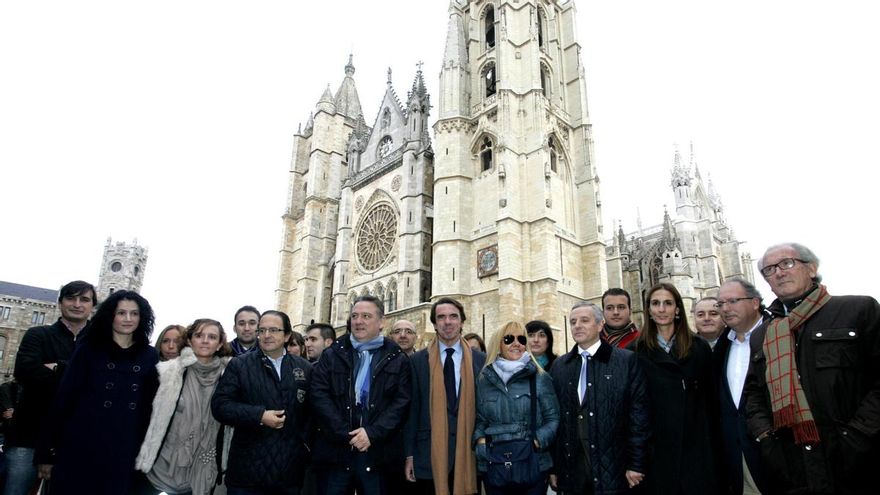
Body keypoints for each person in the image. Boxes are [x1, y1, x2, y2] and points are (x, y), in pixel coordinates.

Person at [744, 243, 880, 494]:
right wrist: (766, 437)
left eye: (787, 263)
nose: (779, 273)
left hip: (859, 462)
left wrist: (858, 435)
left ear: (812, 269)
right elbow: (754, 394)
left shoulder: (858, 310)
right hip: (795, 467)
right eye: (769, 270)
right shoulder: (762, 334)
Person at [37, 289, 160, 495]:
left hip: (124, 450)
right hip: (80, 446)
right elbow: (64, 401)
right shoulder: (89, 349)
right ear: (110, 316)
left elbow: (150, 409)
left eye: (134, 313)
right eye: (121, 313)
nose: (128, 319)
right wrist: (46, 454)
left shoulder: (150, 355)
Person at [310, 295, 412, 495]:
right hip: (337, 454)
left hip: (378, 456)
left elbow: (401, 403)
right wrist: (346, 433)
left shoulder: (397, 358)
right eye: (355, 316)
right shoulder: (332, 354)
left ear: (381, 322)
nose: (358, 321)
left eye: (366, 316)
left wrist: (371, 433)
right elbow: (319, 395)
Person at [4, 280, 96, 495]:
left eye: (84, 299)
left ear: (92, 306)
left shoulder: (98, 344)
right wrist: (76, 376)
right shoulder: (37, 334)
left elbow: (97, 382)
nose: (77, 304)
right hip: (28, 438)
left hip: (74, 441)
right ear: (60, 302)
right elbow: (25, 372)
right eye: (71, 298)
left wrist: (58, 367)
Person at [549, 302, 650, 494]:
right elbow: (554, 419)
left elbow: (639, 416)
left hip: (614, 468)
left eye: (584, 320)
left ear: (600, 324)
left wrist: (636, 464)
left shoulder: (626, 361)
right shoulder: (560, 366)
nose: (577, 326)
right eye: (573, 322)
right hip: (572, 471)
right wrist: (554, 467)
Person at [211, 310, 312, 495]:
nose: (266, 335)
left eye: (273, 330)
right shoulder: (239, 365)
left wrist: (303, 447)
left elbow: (312, 413)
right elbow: (220, 406)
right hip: (247, 474)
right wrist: (259, 416)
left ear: (287, 335)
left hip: (289, 474)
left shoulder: (304, 368)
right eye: (262, 330)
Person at [632, 283, 717, 494]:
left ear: (677, 309)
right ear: (648, 310)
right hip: (656, 450)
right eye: (655, 303)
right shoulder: (634, 351)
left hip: (695, 447)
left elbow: (711, 401)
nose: (661, 309)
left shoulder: (699, 347)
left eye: (668, 303)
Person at [136, 318, 234, 495]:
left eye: (212, 337)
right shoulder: (167, 372)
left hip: (203, 466)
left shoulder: (230, 376)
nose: (205, 341)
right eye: (199, 335)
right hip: (161, 463)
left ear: (220, 344)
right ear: (189, 340)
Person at [405, 298, 486, 495]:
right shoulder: (417, 361)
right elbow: (412, 411)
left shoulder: (481, 360)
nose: (447, 322)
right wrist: (409, 455)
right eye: (441, 317)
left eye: (453, 316)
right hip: (429, 454)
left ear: (462, 322)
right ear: (434, 324)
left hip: (469, 453)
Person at [474, 321, 559, 495]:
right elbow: (480, 419)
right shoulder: (484, 379)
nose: (516, 343)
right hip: (495, 464)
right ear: (498, 344)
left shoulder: (540, 377)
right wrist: (480, 442)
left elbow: (553, 419)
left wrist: (536, 442)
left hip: (532, 463)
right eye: (508, 339)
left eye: (521, 339)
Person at [713, 279, 770, 495]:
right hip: (737, 457)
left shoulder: (779, 333)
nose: (725, 309)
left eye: (733, 301)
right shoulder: (723, 345)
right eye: (721, 304)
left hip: (777, 453)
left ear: (755, 302)